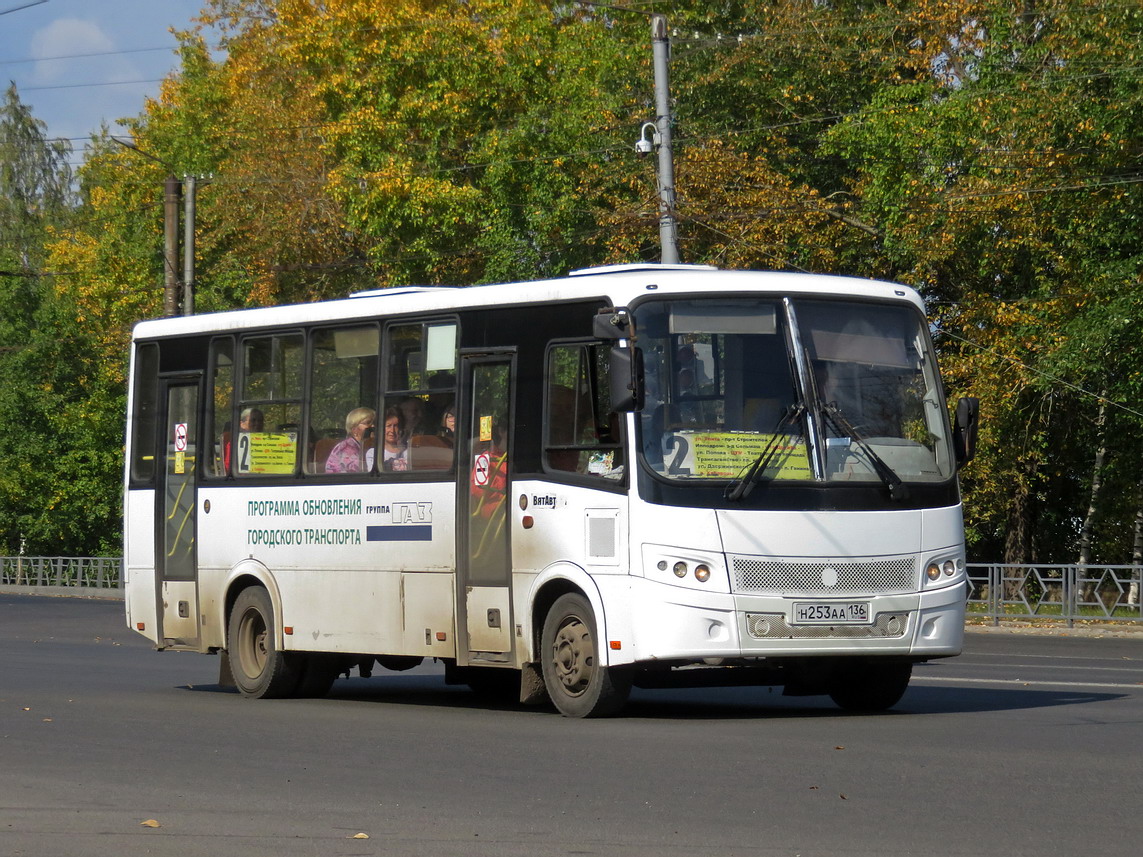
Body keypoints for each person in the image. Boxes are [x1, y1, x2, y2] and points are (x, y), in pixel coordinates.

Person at [324, 407, 375, 473]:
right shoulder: (346, 447)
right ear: (354, 429)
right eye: (368, 423)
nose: (373, 426)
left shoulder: (368, 445)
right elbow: (361, 470)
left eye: (375, 423)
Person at [223, 407, 263, 472]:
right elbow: (229, 466)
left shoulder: (269, 442)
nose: (257, 423)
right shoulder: (236, 442)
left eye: (260, 421)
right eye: (253, 420)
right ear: (242, 424)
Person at [381, 406, 409, 471]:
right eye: (388, 426)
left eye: (396, 426)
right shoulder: (374, 453)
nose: (392, 430)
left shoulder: (409, 451)